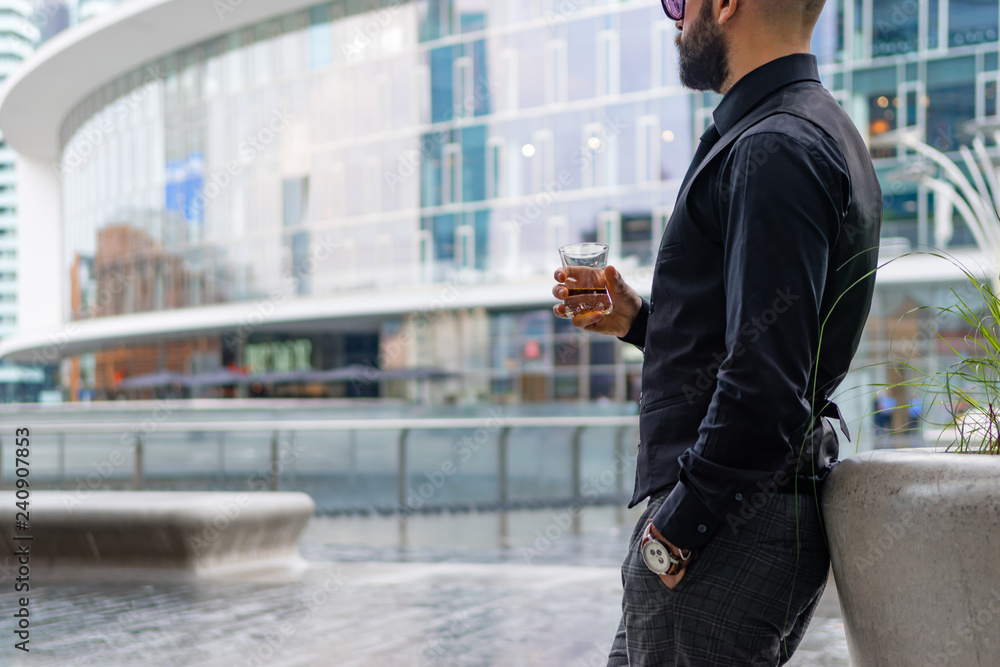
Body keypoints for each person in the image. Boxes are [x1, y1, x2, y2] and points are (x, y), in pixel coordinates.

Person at [551, 0, 882, 662]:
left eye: (680, 2)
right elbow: (764, 344)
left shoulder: (775, 146)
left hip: (721, 534)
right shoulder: (809, 129)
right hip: (735, 525)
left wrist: (675, 534)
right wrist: (642, 322)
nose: (674, 18)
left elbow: (767, 385)